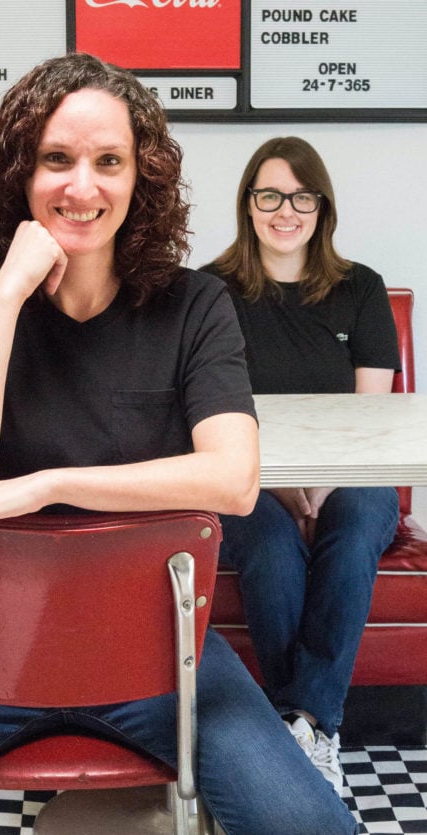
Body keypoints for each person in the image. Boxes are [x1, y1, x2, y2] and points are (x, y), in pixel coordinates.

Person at [0, 62, 358, 835]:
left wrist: (48, 485)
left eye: (109, 160)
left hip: (158, 659)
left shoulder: (191, 306)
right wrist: (12, 292)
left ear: (142, 178)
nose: (80, 184)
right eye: (56, 158)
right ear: (20, 171)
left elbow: (231, 476)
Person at [201, 136, 401, 796]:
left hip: (353, 471)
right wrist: (286, 489)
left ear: (321, 207)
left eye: (300, 196)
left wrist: (319, 484)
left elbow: (372, 415)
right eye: (268, 195)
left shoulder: (360, 288)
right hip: (246, 476)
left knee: (350, 538)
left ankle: (304, 721)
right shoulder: (208, 292)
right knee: (273, 547)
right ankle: (304, 729)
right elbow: (206, 408)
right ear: (247, 205)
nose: (284, 210)